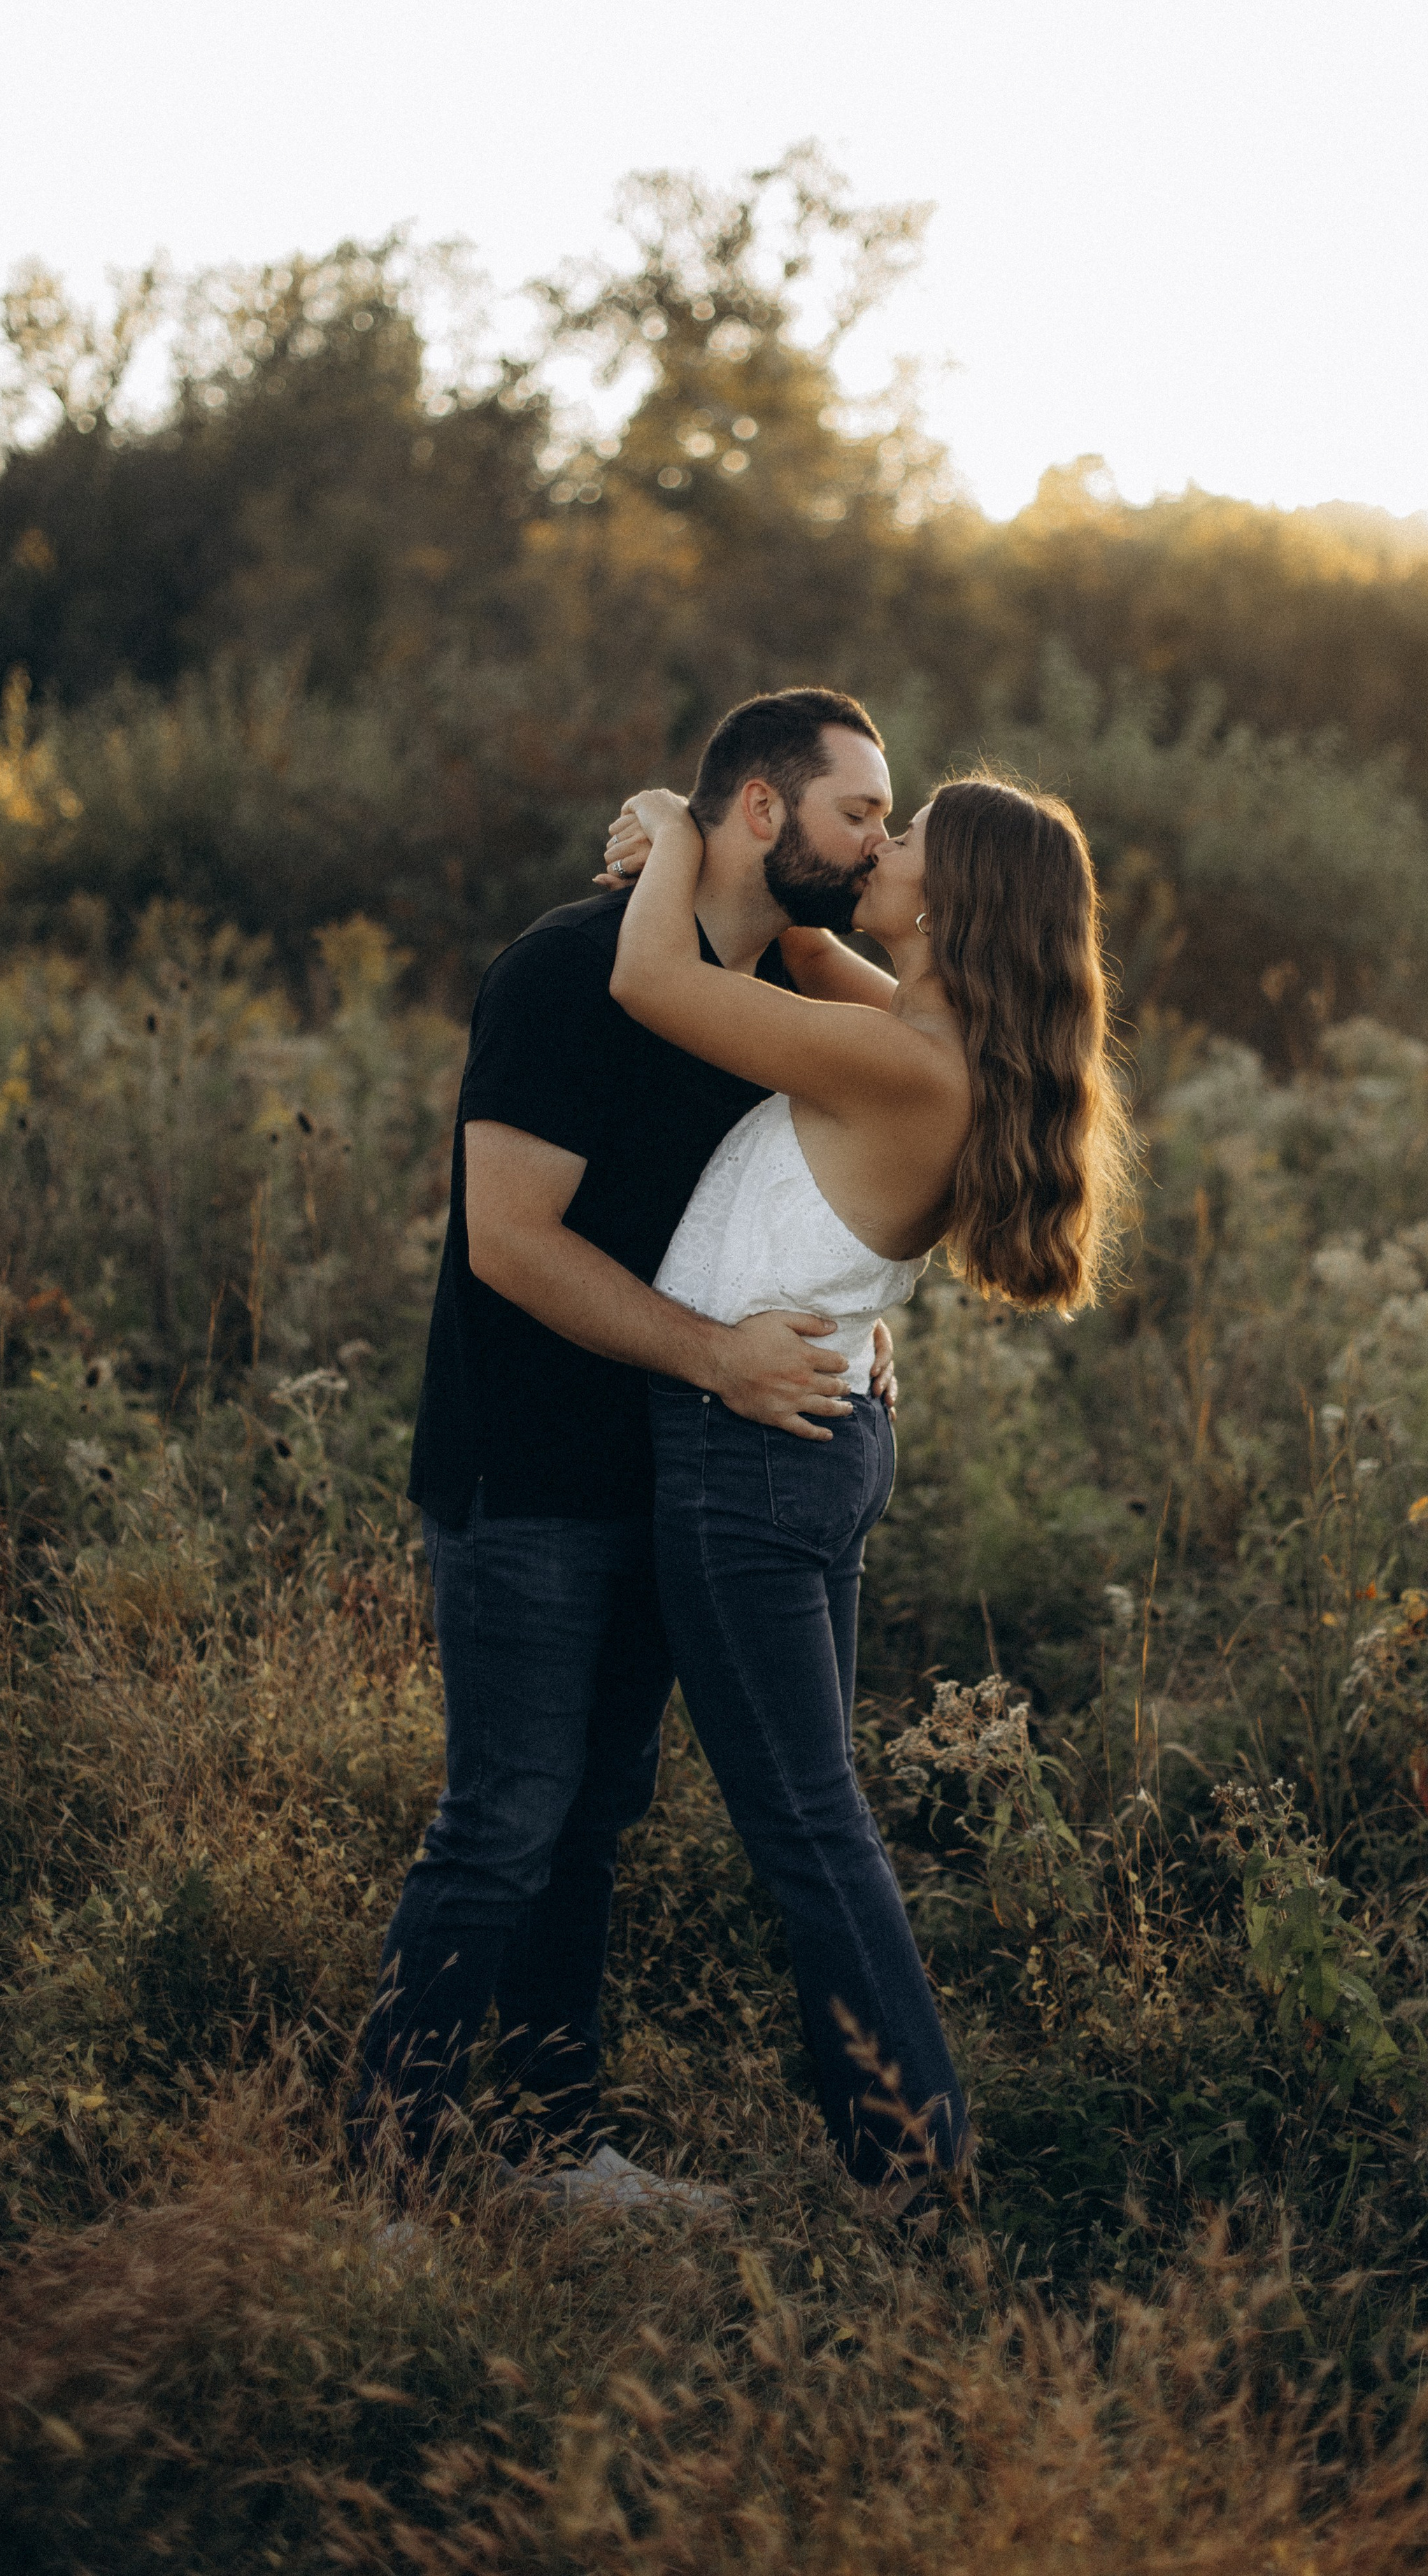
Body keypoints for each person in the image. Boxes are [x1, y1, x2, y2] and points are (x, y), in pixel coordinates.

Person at [348, 688, 903, 2196]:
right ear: (764, 811)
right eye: (858, 810)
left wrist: (846, 1319)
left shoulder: (759, 991)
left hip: (675, 1462)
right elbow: (510, 1246)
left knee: (591, 1816)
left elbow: (818, 1186)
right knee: (499, 1825)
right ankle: (379, 2187)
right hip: (528, 1464)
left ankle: (545, 2145)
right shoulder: (567, 969)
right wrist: (716, 1357)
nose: (877, 841)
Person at [598, 767, 1136, 2193]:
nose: (879, 848)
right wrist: (761, 858)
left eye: (903, 839)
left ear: (953, 901)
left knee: (803, 1822)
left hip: (747, 1456)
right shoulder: (916, 1027)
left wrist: (667, 833)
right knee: (810, 1807)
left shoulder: (904, 1059)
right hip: (804, 1438)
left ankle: (911, 2155)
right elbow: (791, 944)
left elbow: (657, 978)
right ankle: (896, 2138)